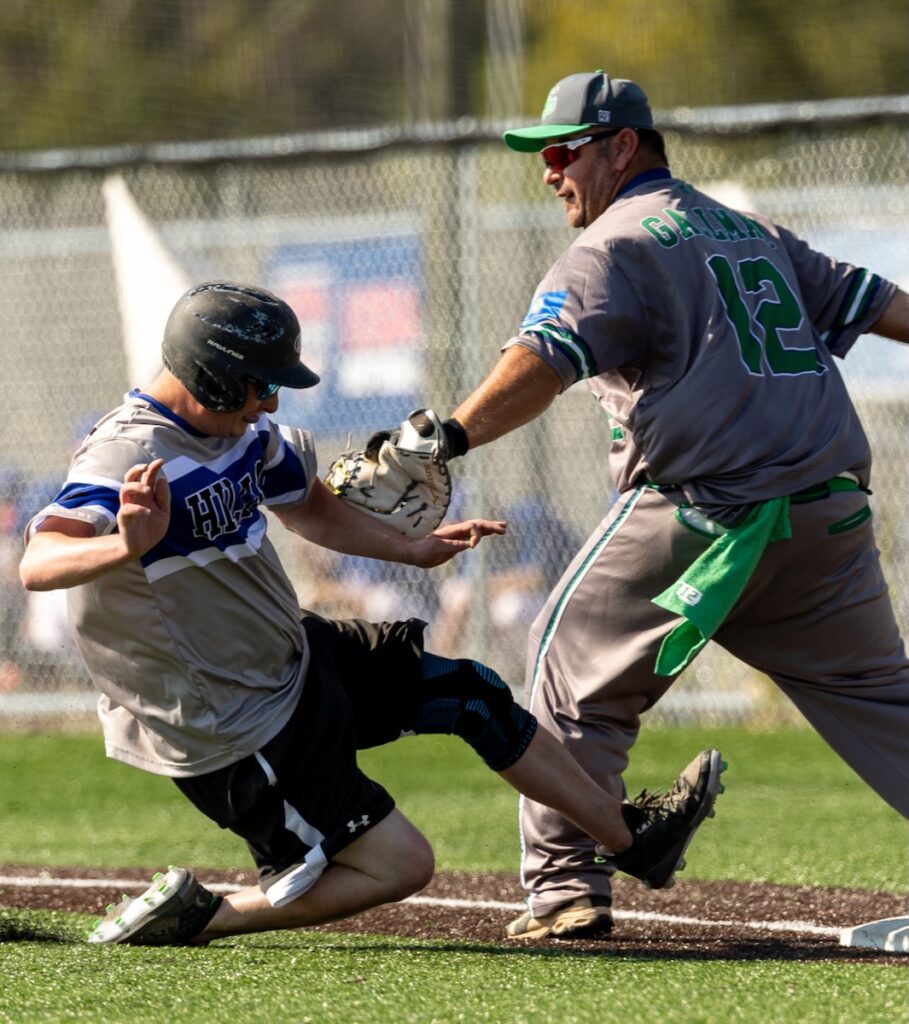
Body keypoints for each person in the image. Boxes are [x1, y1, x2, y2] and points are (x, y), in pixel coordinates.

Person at [18, 280, 724, 947]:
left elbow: (308, 506)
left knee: (471, 693)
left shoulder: (240, 433)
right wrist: (122, 544)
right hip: (230, 723)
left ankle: (638, 842)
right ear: (212, 375)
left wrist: (408, 550)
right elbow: (39, 562)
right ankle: (210, 916)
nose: (269, 403)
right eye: (260, 384)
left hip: (292, 656)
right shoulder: (127, 453)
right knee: (401, 867)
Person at [418, 70, 909, 940]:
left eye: (562, 149)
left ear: (621, 147)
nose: (547, 170)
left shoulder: (617, 243)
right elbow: (879, 305)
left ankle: (567, 886)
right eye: (540, 153)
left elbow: (544, 357)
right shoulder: (750, 231)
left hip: (705, 512)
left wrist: (447, 438)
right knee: (882, 701)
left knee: (569, 669)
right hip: (824, 516)